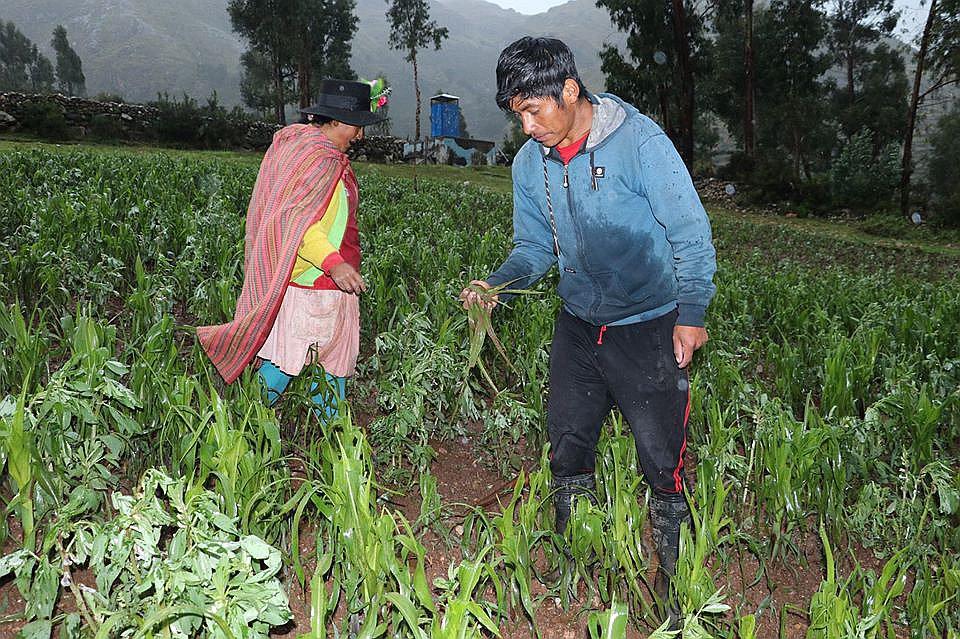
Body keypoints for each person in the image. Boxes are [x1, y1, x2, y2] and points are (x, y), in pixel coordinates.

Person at [460, 37, 716, 626]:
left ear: (569, 91)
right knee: (568, 444)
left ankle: (674, 579)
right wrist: (497, 284)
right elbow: (533, 248)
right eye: (518, 115)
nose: (527, 128)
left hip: (649, 324)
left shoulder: (640, 143)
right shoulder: (532, 164)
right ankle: (574, 564)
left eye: (534, 111)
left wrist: (693, 311)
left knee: (662, 456)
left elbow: (690, 231)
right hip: (578, 324)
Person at [198, 78, 389, 418]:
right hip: (313, 285)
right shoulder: (315, 159)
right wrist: (334, 263)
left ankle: (334, 435)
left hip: (333, 285)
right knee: (288, 362)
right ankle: (237, 423)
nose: (360, 136)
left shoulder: (320, 155)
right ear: (336, 121)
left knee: (332, 364)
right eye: (357, 126)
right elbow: (295, 222)